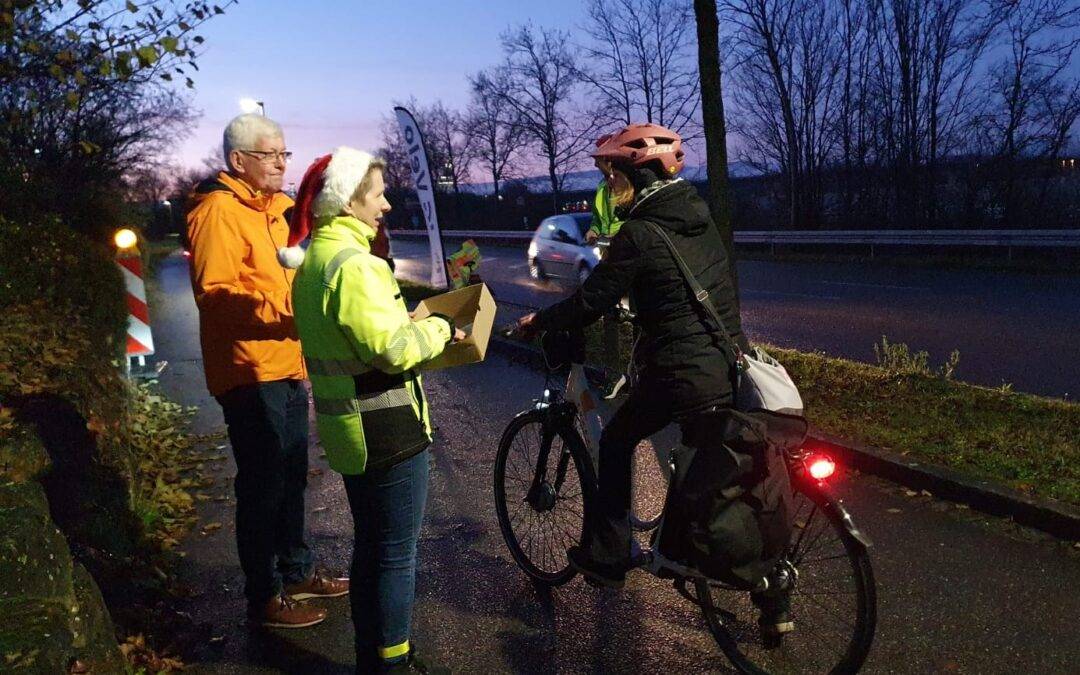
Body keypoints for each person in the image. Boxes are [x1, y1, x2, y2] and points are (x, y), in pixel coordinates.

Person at [515, 123, 792, 634]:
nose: (608, 186)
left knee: (617, 440)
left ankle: (610, 554)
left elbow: (592, 300)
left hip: (682, 373)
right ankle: (771, 590)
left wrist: (541, 321)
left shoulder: (641, 233)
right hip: (727, 362)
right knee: (718, 470)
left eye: (612, 175)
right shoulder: (695, 218)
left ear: (637, 174)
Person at [282, 147, 463, 674]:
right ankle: (393, 661)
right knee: (395, 555)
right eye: (378, 194)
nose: (385, 205)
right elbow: (392, 351)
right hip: (387, 428)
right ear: (348, 200)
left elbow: (360, 337)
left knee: (374, 547)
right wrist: (437, 329)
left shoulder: (317, 260)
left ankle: (373, 655)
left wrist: (399, 320)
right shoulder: (356, 265)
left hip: (351, 429)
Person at [186, 114, 349, 629]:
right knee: (263, 484)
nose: (282, 163)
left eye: (285, 154)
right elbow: (216, 297)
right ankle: (264, 597)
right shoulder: (216, 211)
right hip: (248, 371)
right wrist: (289, 306)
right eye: (271, 154)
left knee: (293, 476)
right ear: (239, 161)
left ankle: (297, 572)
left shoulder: (282, 209)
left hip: (287, 363)